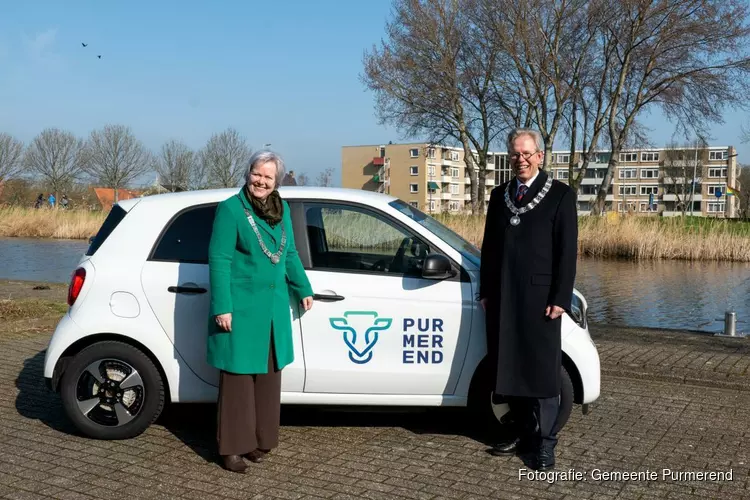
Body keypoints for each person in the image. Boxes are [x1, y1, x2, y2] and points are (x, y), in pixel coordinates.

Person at [206, 150, 314, 473]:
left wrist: (303, 287)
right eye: (257, 174)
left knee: (267, 379)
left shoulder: (281, 212)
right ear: (248, 173)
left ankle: (257, 440)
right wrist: (222, 306)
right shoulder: (231, 210)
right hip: (241, 309)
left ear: (276, 181)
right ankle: (232, 449)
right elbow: (219, 260)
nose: (261, 181)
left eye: (268, 177)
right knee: (238, 380)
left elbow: (290, 254)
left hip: (273, 312)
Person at [478, 128, 578, 471]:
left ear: (540, 156)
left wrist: (561, 298)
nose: (520, 160)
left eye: (526, 154)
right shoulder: (498, 195)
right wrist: (486, 290)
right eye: (514, 155)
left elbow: (567, 252)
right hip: (505, 297)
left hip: (541, 300)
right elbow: (490, 248)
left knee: (543, 373)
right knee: (511, 368)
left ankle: (546, 443)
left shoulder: (561, 195)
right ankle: (522, 433)